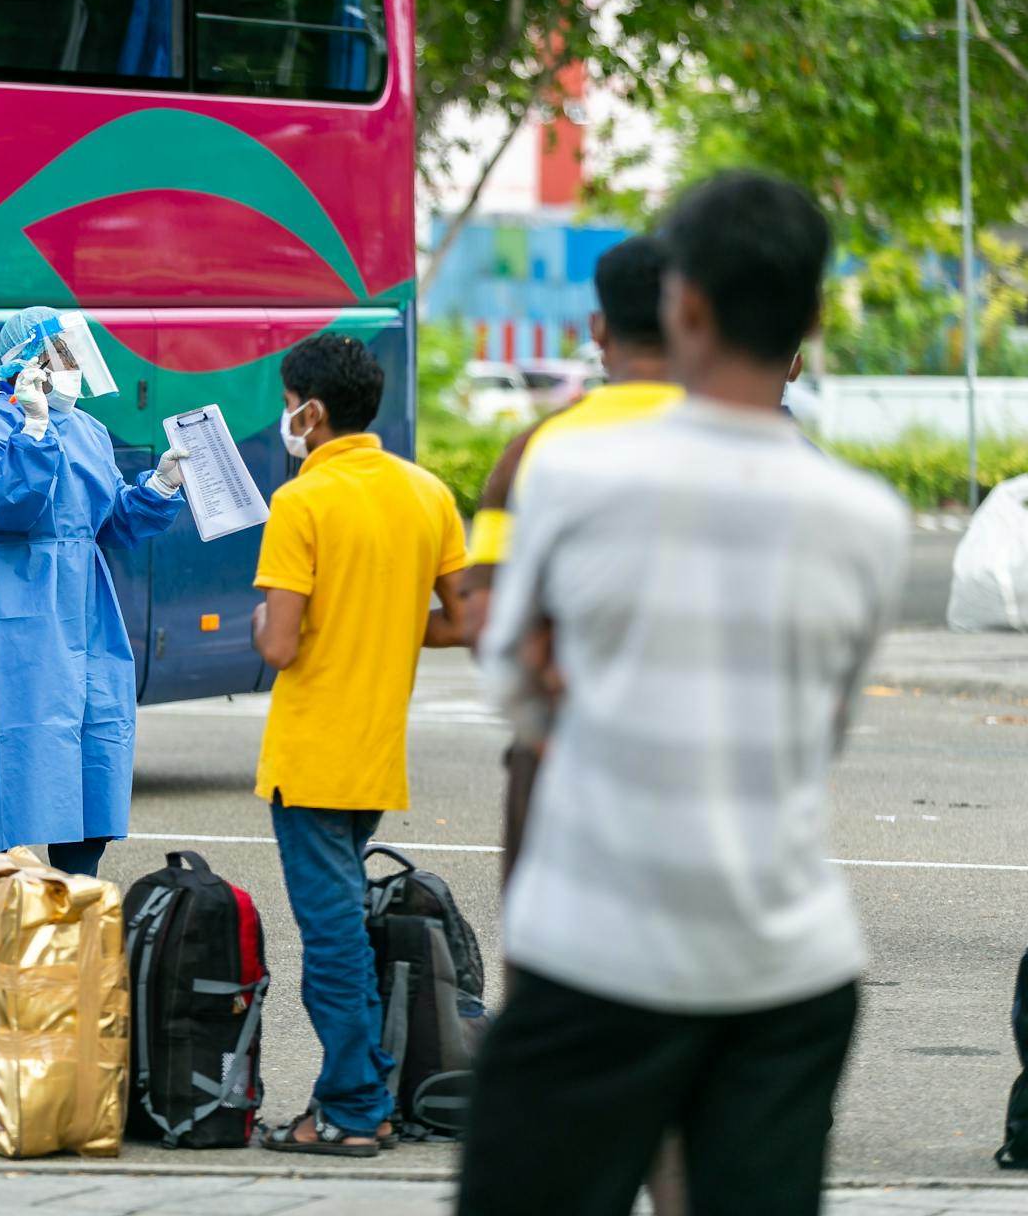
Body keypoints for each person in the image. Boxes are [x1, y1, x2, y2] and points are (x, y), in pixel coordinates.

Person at [460, 171, 910, 1216]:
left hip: (592, 953)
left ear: (685, 305)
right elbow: (823, 725)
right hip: (790, 970)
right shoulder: (868, 518)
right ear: (811, 318)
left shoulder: (572, 474)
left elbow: (518, 694)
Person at [249, 333, 468, 1157]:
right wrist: (386, 616)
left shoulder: (301, 503)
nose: (284, 420)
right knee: (341, 927)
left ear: (311, 410)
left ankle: (352, 1106)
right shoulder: (426, 493)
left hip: (310, 759)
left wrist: (262, 616)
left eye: (286, 403)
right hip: (375, 754)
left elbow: (278, 645)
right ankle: (357, 1089)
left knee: (333, 937)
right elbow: (466, 618)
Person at [456, 234, 682, 883]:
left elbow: (483, 625)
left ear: (599, 328)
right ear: (692, 318)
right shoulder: (747, 445)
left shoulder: (531, 452)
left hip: (564, 767)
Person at [0, 306, 189, 876]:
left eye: (76, 352)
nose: (72, 365)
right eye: (61, 353)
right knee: (11, 748)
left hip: (83, 607)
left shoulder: (89, 430)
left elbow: (109, 522)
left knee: (88, 744)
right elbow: (5, 507)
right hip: (8, 603)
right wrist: (31, 430)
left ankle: (75, 901)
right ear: (27, 361)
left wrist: (160, 485)